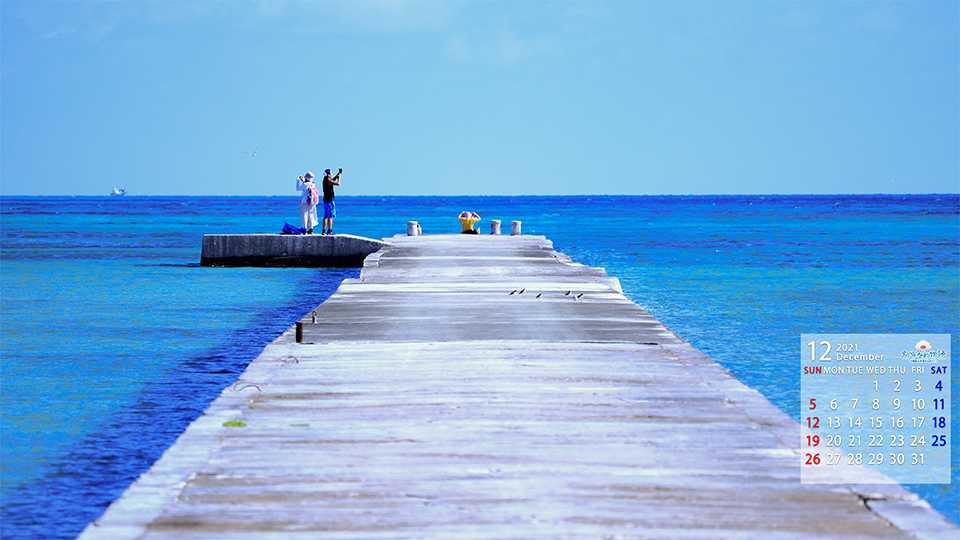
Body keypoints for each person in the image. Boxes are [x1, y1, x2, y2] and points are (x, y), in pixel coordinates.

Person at [322, 168, 342, 235]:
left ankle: (324, 230)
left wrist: (337, 174)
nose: (331, 174)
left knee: (325, 216)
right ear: (328, 174)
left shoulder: (325, 180)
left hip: (325, 200)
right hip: (330, 200)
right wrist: (339, 178)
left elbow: (332, 180)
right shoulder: (328, 181)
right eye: (331, 173)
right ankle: (330, 230)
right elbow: (337, 183)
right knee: (330, 216)